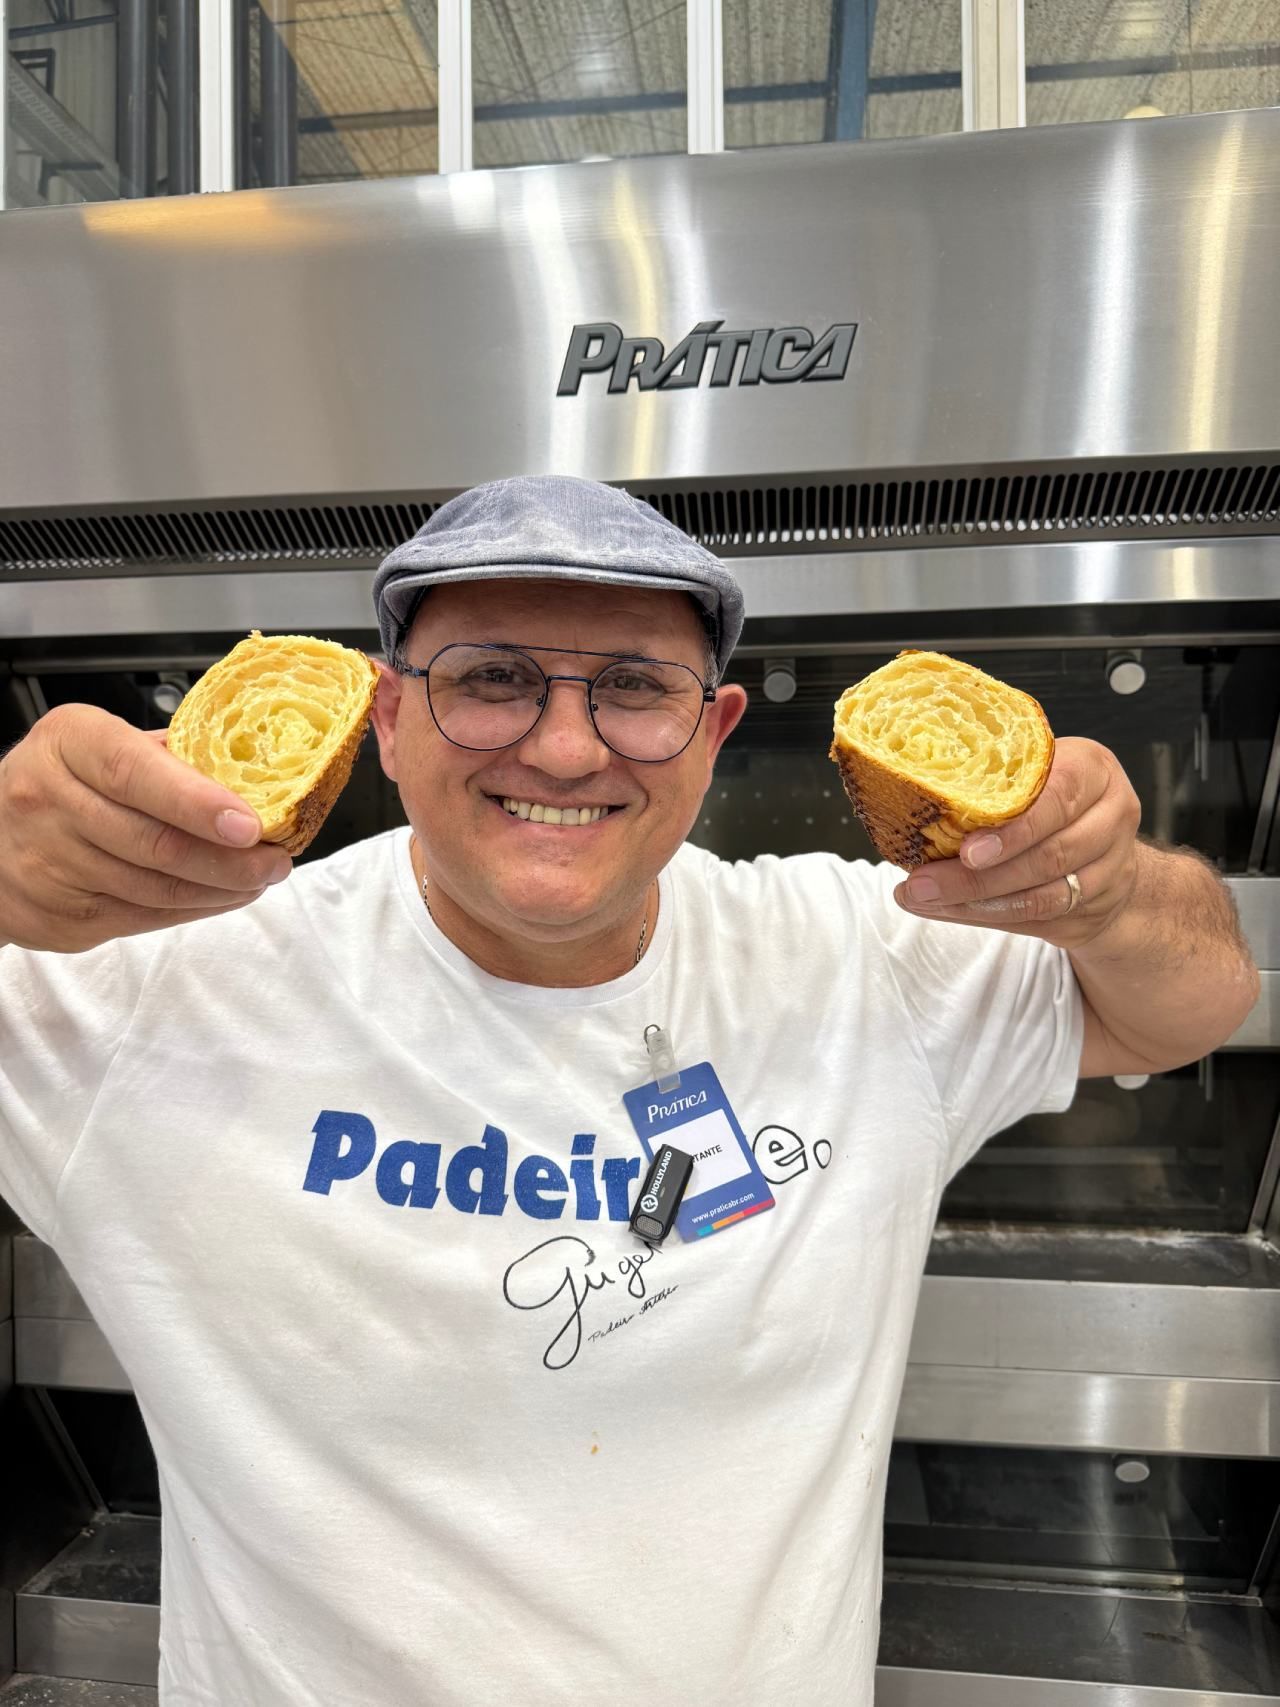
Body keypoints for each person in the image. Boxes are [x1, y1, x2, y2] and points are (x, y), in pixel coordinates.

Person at [0, 476, 1257, 1707]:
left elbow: (1194, 998)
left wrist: (1117, 881)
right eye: (489, 678)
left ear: (709, 734)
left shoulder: (857, 953)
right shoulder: (139, 988)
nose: (561, 745)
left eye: (634, 689)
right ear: (384, 719)